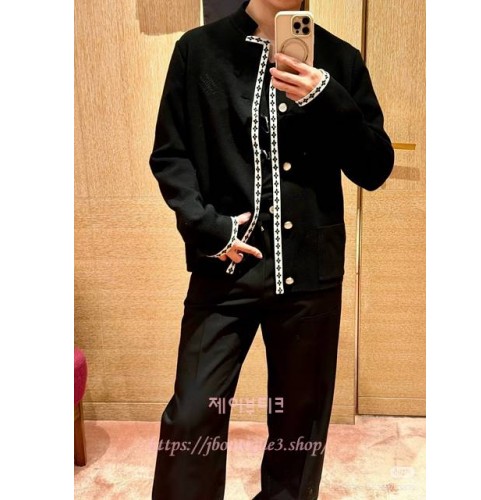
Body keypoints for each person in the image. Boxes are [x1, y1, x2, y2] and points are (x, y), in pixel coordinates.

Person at [149, 0, 394, 498]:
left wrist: (327, 98)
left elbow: (374, 167)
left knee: (299, 424)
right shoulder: (199, 51)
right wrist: (209, 229)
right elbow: (171, 154)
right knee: (193, 414)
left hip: (310, 274)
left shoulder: (340, 60)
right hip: (225, 268)